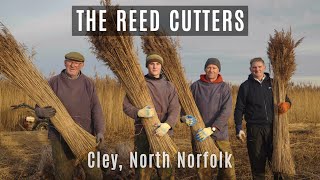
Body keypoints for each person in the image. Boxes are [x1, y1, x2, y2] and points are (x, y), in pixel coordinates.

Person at [35, 52, 105, 180]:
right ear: (65, 63)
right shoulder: (53, 82)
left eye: (77, 63)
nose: (73, 65)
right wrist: (41, 112)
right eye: (70, 62)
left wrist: (100, 131)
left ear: (82, 65)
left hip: (84, 134)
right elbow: (38, 106)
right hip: (59, 136)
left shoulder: (88, 83)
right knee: (63, 174)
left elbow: (96, 109)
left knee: (94, 173)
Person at [123, 53, 181, 179]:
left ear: (161, 67)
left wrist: (167, 125)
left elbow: (175, 108)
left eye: (157, 64)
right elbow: (126, 107)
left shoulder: (169, 86)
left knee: (166, 171)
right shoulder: (137, 85)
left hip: (163, 133)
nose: (155, 67)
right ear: (147, 66)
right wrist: (138, 112)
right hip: (143, 133)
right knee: (143, 172)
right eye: (151, 64)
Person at [234, 57, 291, 180]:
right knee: (257, 163)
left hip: (274, 128)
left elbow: (287, 100)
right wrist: (238, 127)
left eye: (259, 66)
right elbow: (239, 108)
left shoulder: (274, 83)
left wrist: (286, 105)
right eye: (254, 67)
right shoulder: (245, 86)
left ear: (264, 67)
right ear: (250, 69)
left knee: (277, 162)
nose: (257, 69)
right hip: (255, 129)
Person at [181, 58, 236, 179]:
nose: (211, 70)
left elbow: (226, 111)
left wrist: (212, 128)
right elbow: (184, 107)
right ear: (205, 69)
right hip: (199, 134)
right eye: (209, 67)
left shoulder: (224, 87)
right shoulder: (195, 86)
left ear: (218, 70)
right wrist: (184, 117)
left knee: (227, 167)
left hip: (220, 135)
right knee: (203, 169)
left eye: (214, 68)